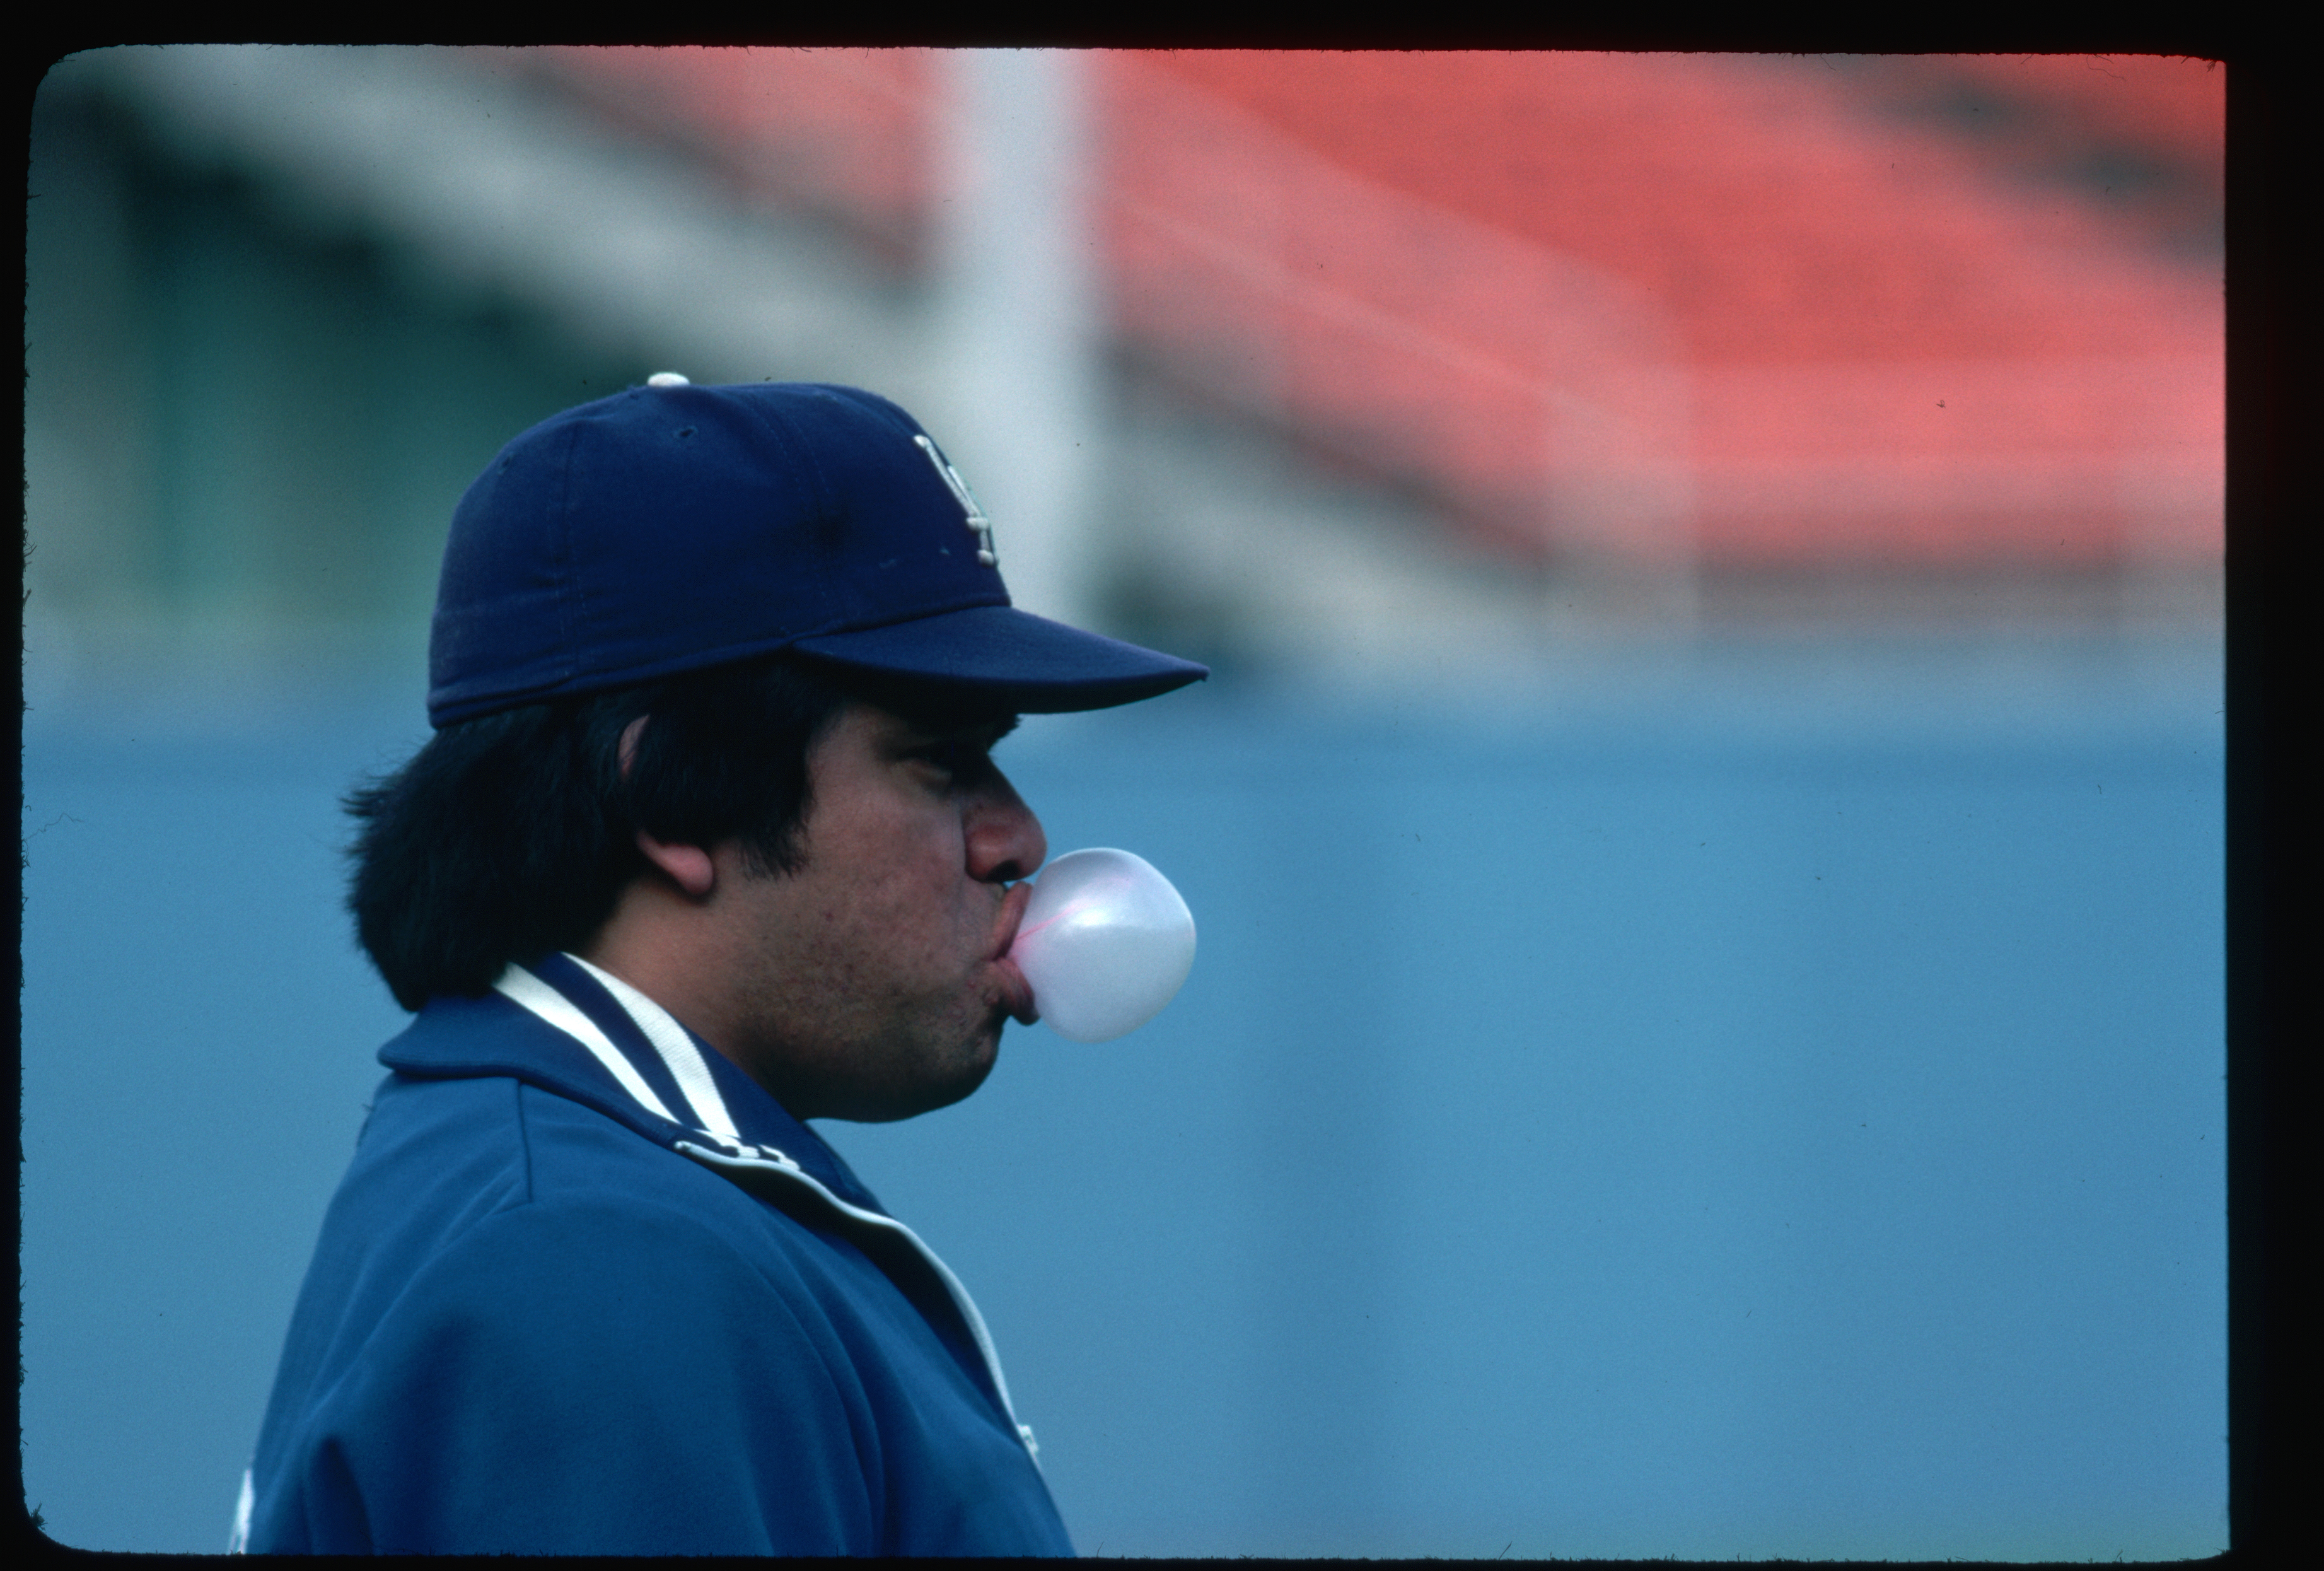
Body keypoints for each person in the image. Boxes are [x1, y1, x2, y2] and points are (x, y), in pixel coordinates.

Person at [231, 378, 1207, 1556]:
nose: (1017, 841)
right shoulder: (596, 1265)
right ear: (669, 799)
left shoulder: (577, 1188)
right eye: (938, 759)